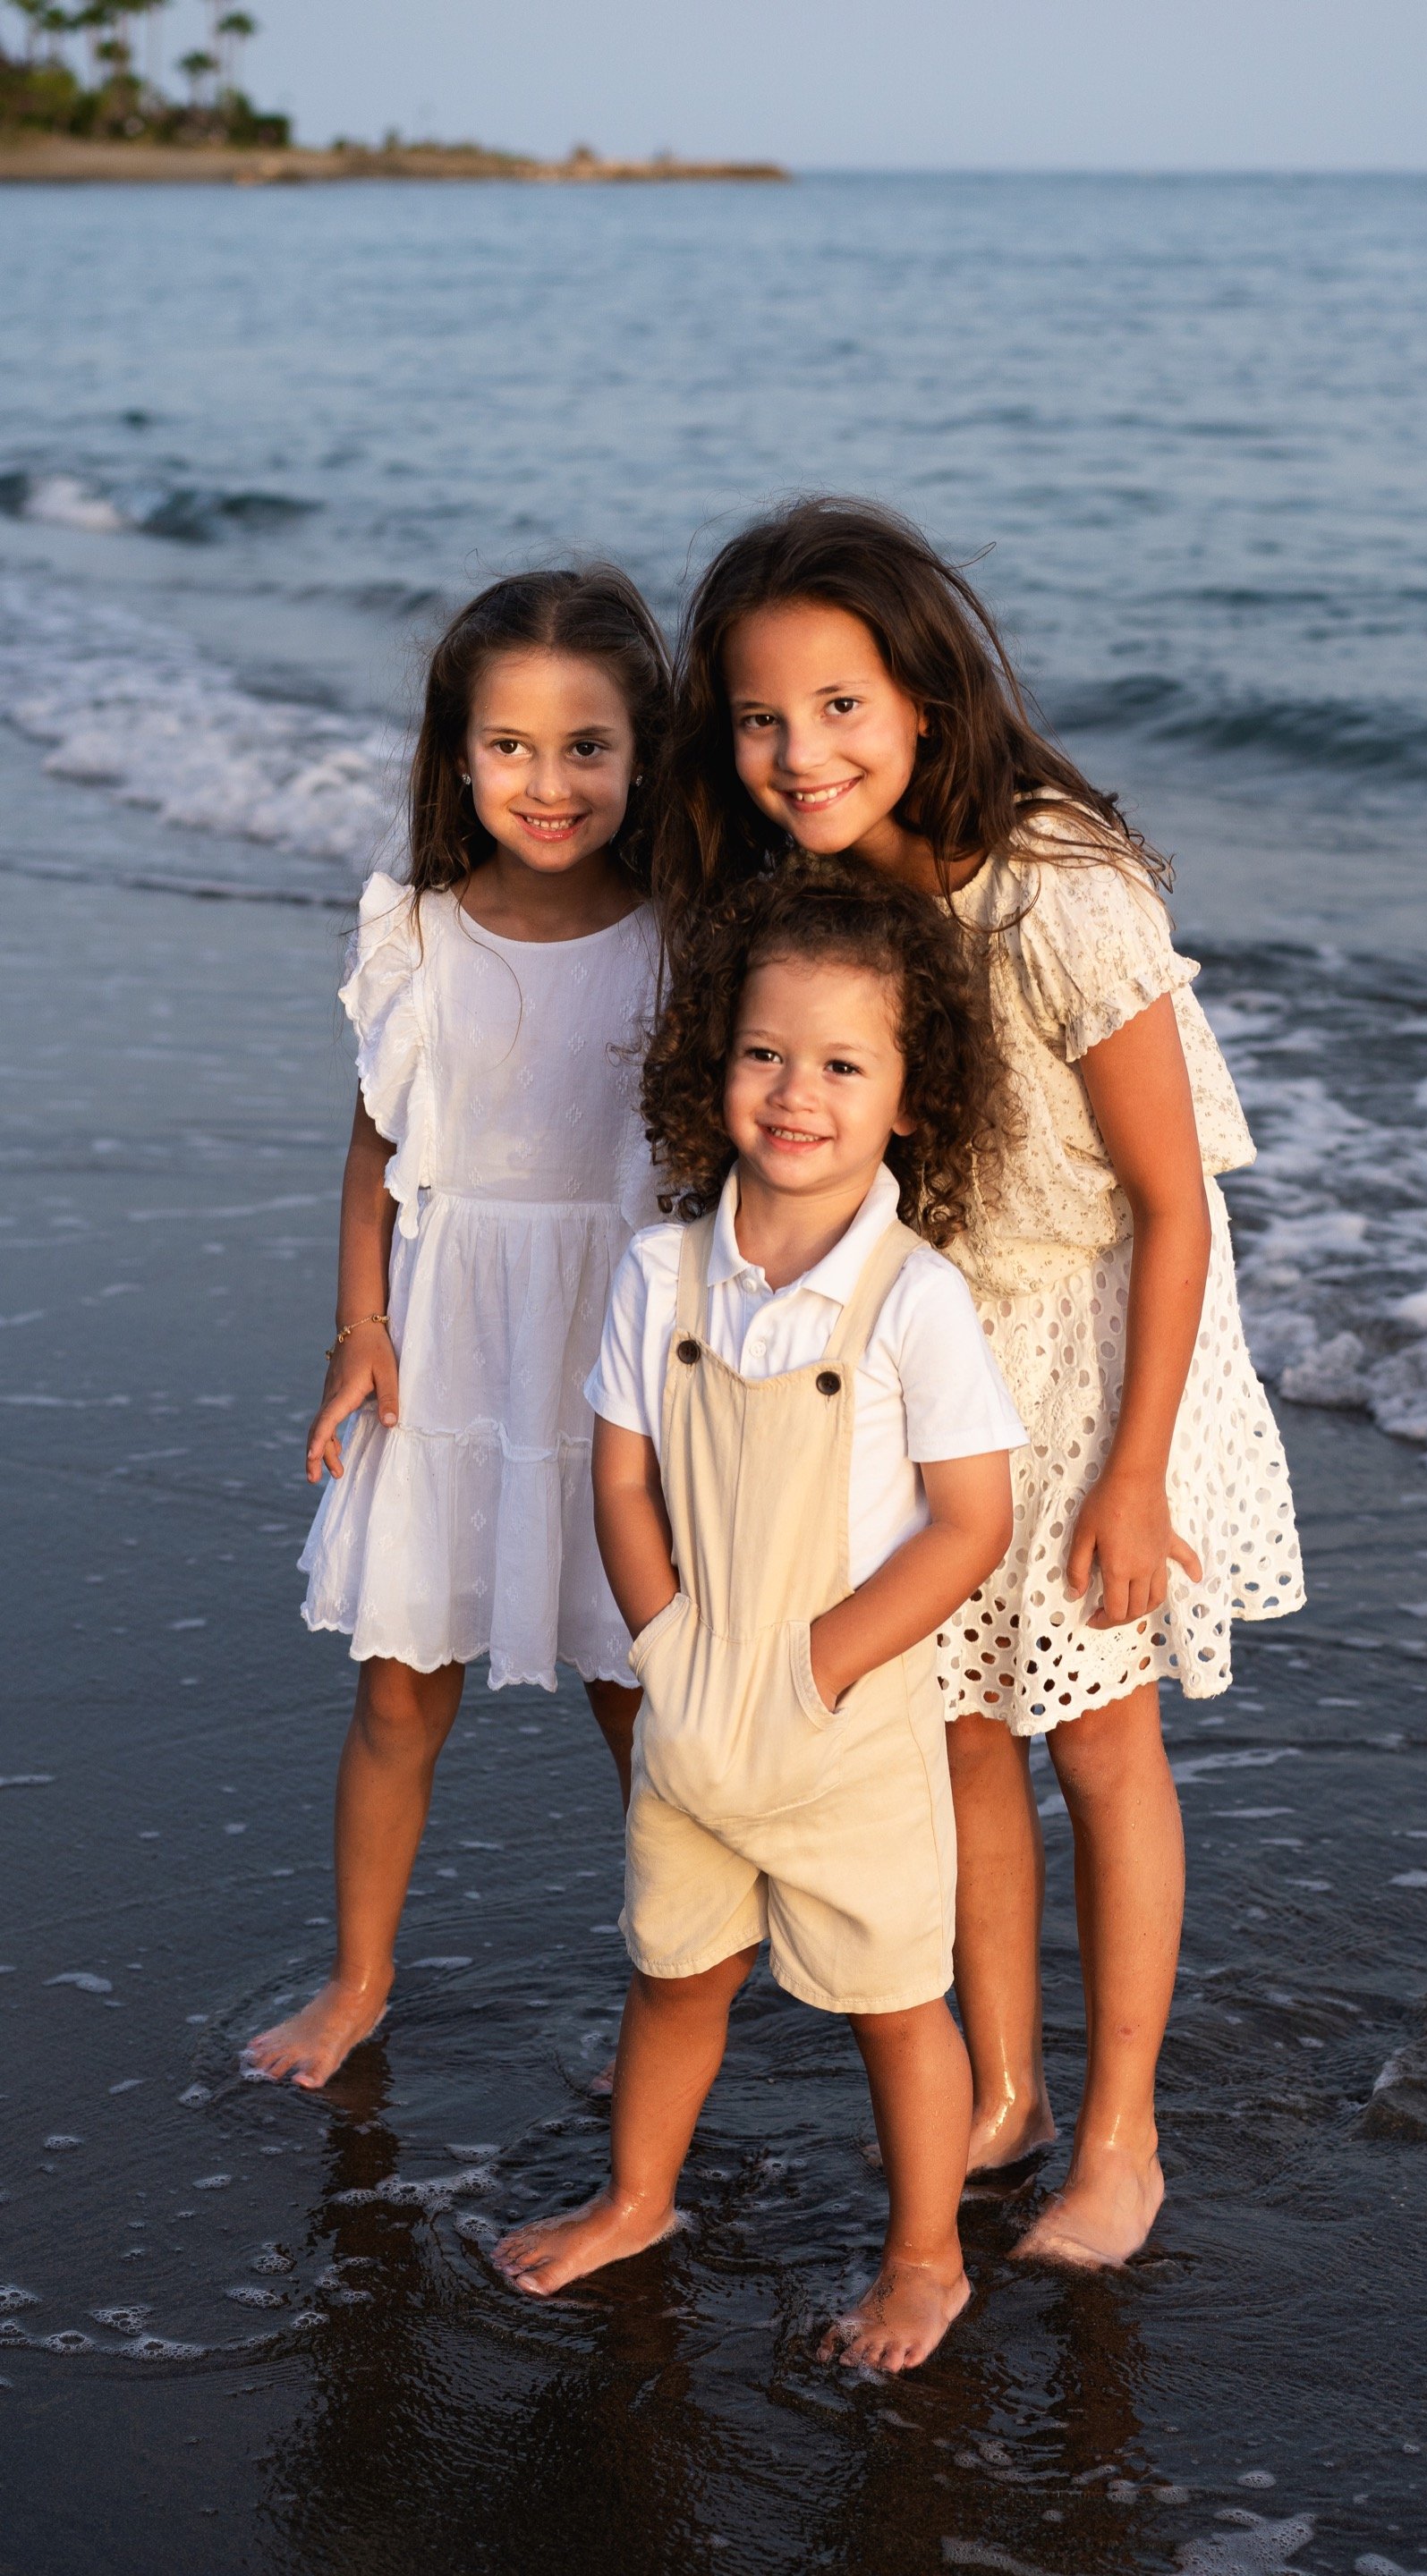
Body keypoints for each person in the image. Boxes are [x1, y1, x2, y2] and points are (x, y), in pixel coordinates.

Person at [654, 496, 1305, 2267]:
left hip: (1100, 1347)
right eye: (762, 719)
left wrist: (1136, 1472)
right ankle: (1003, 2088)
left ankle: (1122, 2137)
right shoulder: (815, 891)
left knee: (1098, 1738)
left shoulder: (1061, 882)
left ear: (926, 699)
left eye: (844, 708)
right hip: (933, 1353)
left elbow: (1173, 1208)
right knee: (954, 1732)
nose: (803, 754)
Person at [492, 861, 1024, 2373]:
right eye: (765, 1053)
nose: (797, 1093)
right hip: (693, 1699)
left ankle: (926, 2255)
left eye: (845, 1065)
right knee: (672, 1972)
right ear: (713, 1062)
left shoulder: (915, 1298)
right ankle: (638, 2197)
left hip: (847, 1717)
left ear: (912, 1099)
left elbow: (973, 1523)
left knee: (893, 2003)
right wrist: (665, 1644)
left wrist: (821, 1665)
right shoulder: (663, 1268)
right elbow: (620, 1476)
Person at [246, 567, 668, 2090]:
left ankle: (679, 1979)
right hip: (447, 1342)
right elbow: (373, 1145)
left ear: (645, 751)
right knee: (398, 1682)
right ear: (455, 750)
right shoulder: (416, 934)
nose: (547, 785)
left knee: (646, 1690)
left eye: (586, 748)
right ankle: (360, 1975)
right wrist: (358, 1323)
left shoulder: (681, 936)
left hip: (620, 1354)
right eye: (510, 747)